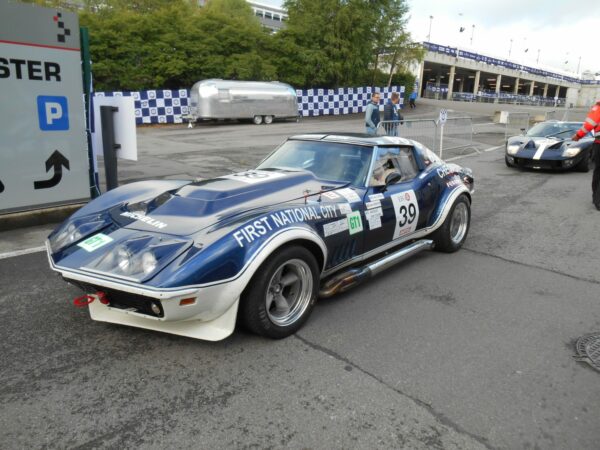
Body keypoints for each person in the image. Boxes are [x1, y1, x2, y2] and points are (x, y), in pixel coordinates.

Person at [572, 99, 600, 210]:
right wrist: (578, 135)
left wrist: (578, 136)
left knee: (598, 172)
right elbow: (589, 125)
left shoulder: (597, 108)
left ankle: (597, 199)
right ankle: (598, 200)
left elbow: (589, 125)